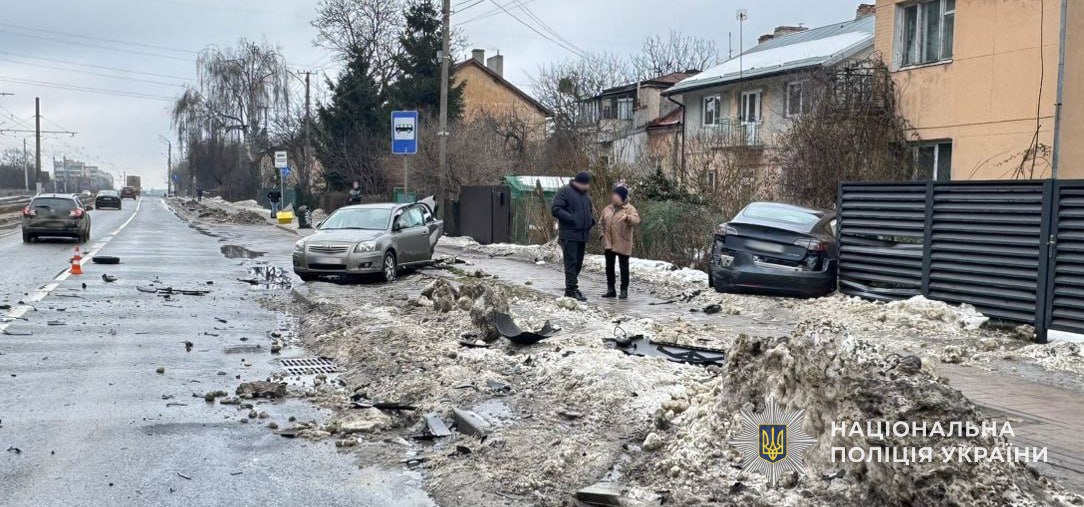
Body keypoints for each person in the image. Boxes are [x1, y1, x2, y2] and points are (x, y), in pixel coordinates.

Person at [551, 171, 595, 302]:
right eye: (586, 184)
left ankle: (572, 288)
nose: (588, 187)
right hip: (570, 233)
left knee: (578, 263)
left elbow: (589, 210)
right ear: (579, 183)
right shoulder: (565, 192)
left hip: (582, 234)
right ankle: (571, 289)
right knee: (571, 263)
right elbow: (556, 209)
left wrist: (591, 220)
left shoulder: (585, 196)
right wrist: (571, 218)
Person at [599, 185, 640, 299]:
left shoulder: (630, 209)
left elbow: (637, 220)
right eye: (613, 195)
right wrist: (602, 235)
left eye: (616, 195)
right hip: (609, 242)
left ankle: (624, 290)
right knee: (609, 267)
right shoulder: (607, 209)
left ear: (621, 196)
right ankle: (611, 289)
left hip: (623, 241)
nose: (613, 197)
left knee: (624, 267)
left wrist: (627, 218)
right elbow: (600, 223)